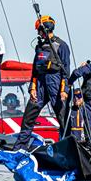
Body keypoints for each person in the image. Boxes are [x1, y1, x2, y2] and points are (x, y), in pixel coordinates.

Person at [13, 15, 70, 151]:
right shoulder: (39, 46)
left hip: (55, 82)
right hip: (39, 83)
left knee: (63, 118)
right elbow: (35, 68)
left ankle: (67, 147)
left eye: (39, 30)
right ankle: (19, 148)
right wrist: (32, 87)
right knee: (28, 116)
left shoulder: (61, 45)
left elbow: (66, 70)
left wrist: (64, 90)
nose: (38, 33)